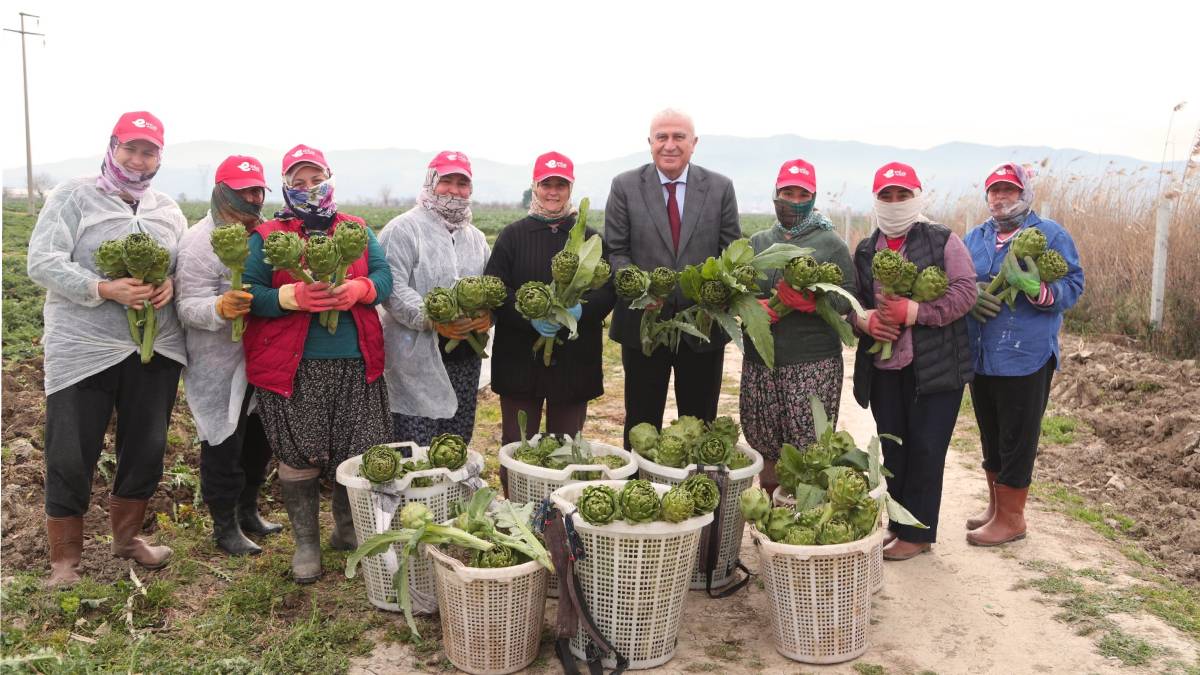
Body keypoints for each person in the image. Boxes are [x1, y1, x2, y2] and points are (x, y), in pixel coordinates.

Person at [29, 111, 186, 586]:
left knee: (146, 445)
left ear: (160, 156)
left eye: (149, 151)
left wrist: (172, 285)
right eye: (130, 148)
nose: (138, 159)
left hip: (153, 347)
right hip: (82, 345)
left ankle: (127, 538)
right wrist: (103, 288)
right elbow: (42, 261)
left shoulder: (167, 209)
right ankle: (66, 560)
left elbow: (184, 264)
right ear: (112, 146)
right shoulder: (74, 195)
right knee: (71, 450)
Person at [242, 144, 393, 583]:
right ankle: (306, 543)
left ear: (330, 178)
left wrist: (360, 289)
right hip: (295, 368)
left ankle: (347, 532)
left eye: (316, 179)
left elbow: (384, 278)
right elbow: (251, 294)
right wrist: (293, 297)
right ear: (286, 187)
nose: (309, 189)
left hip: (356, 361)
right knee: (298, 454)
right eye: (298, 182)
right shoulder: (269, 235)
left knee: (356, 452)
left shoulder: (358, 229)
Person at [850, 162, 977, 561]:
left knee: (926, 449)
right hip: (886, 370)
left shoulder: (943, 241)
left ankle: (919, 531)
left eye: (902, 195)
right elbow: (852, 303)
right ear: (875, 201)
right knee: (896, 450)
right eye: (886, 196)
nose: (894, 203)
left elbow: (964, 293)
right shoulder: (867, 249)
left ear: (917, 196)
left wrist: (915, 312)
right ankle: (899, 522)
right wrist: (864, 321)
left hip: (934, 370)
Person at [963, 163, 1084, 546]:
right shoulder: (976, 237)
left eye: (1009, 190)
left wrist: (1038, 290)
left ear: (1025, 194)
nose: (1000, 197)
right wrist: (971, 298)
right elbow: (959, 282)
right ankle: (996, 507)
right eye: (994, 190)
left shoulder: (1049, 235)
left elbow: (1073, 283)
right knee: (991, 432)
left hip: (1026, 353)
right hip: (983, 354)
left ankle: (1012, 518)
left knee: (1018, 435)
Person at [606, 109, 741, 445]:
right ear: (649, 143)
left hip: (703, 327)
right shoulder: (624, 186)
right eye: (661, 137)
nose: (670, 145)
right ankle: (638, 489)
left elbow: (732, 254)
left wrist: (714, 296)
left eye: (678, 137)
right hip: (644, 327)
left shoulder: (720, 188)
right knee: (641, 423)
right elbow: (616, 252)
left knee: (698, 426)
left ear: (693, 143)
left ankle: (694, 493)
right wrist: (640, 292)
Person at [176, 155, 282, 556]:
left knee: (259, 439)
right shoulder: (199, 242)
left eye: (258, 190)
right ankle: (224, 526)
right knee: (223, 442)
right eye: (244, 191)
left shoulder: (263, 235)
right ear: (221, 191)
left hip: (260, 356)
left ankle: (248, 511)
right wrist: (219, 308)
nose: (253, 198)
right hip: (217, 362)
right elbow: (186, 306)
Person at [484, 152, 616, 451]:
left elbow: (609, 290)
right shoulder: (512, 236)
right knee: (517, 446)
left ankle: (560, 499)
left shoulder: (590, 238)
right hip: (519, 360)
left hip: (573, 361)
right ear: (535, 186)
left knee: (565, 448)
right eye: (546, 184)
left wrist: (580, 311)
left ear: (571, 189)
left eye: (561, 184)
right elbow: (495, 287)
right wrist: (526, 315)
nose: (553, 192)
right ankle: (516, 499)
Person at [741, 159, 856, 497]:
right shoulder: (759, 242)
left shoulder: (830, 243)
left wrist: (813, 302)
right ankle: (771, 509)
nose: (792, 200)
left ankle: (802, 515)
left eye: (801, 193)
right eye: (786, 192)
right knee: (766, 442)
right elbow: (739, 290)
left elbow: (848, 297)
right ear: (775, 195)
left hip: (811, 363)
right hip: (761, 360)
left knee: (808, 448)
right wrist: (754, 308)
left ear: (813, 196)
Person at [379, 151, 491, 447]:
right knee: (416, 444)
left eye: (462, 183)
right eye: (446, 181)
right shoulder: (402, 229)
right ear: (430, 182)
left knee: (454, 442)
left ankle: (450, 493)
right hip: (413, 356)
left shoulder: (477, 239)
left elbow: (489, 288)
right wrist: (433, 319)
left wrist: (489, 314)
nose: (454, 190)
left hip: (465, 357)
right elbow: (393, 287)